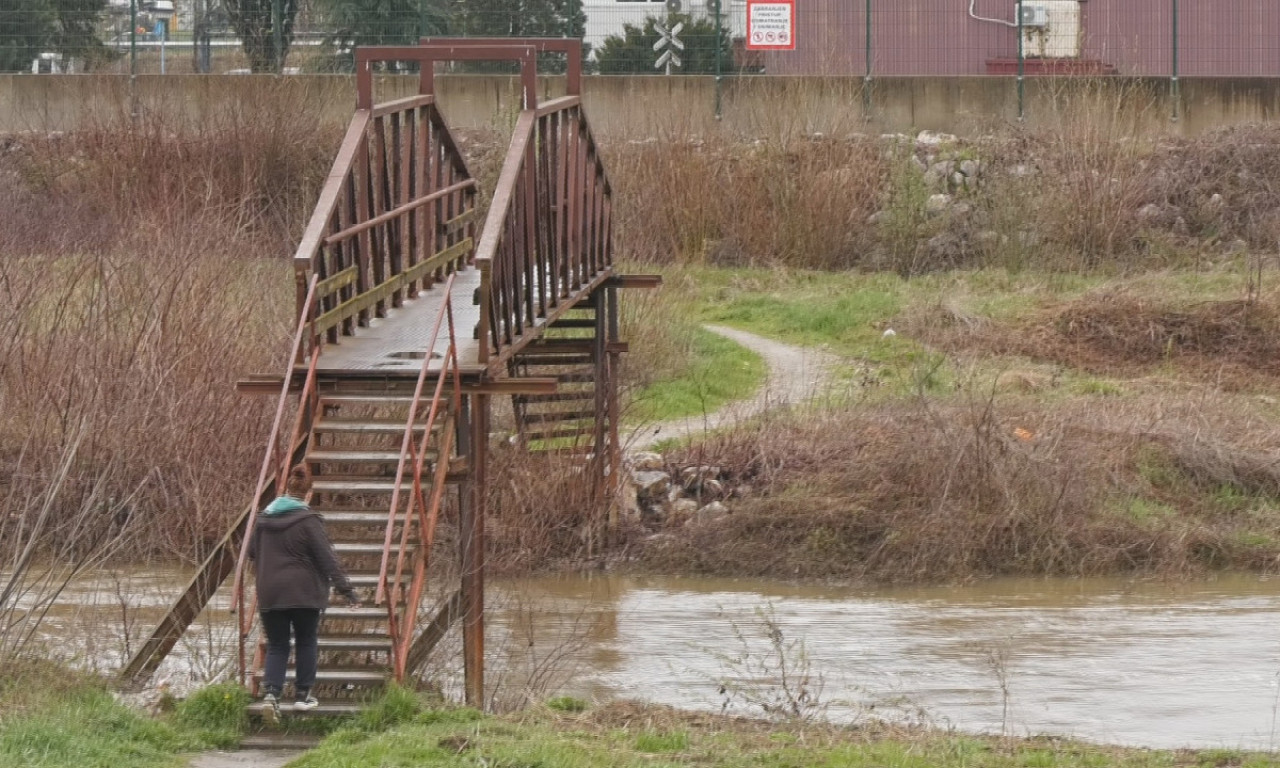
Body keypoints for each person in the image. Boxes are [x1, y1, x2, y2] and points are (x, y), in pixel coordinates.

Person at [248, 465, 359, 720]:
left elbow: (253, 552)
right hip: (304, 592)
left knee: (277, 644)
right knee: (306, 640)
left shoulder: (263, 519)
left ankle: (272, 695)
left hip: (270, 591)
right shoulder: (309, 521)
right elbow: (327, 559)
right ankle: (302, 696)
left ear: (285, 490)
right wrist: (347, 590)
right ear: (308, 494)